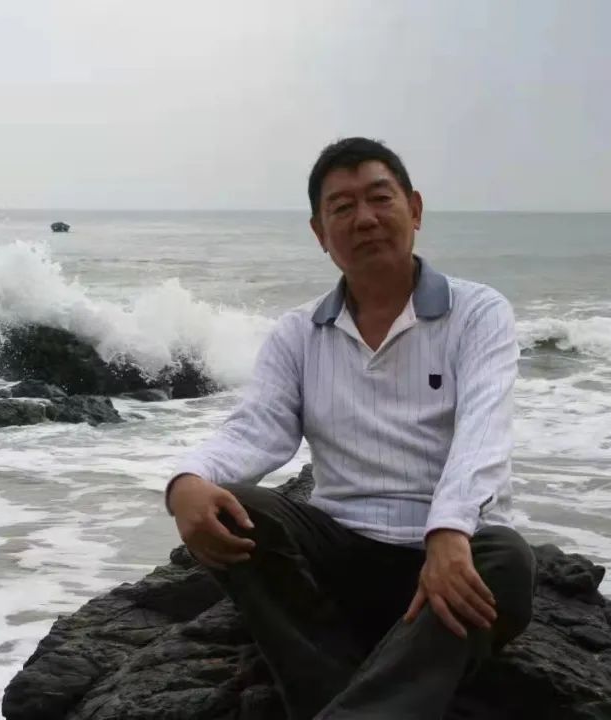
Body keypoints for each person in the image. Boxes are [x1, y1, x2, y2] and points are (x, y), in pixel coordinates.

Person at [164, 137, 536, 719]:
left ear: (414, 208)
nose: (364, 219)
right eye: (342, 207)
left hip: (450, 556)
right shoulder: (299, 333)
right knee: (236, 509)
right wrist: (187, 479)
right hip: (339, 558)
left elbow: (483, 434)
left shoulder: (478, 313)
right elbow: (258, 429)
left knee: (507, 560)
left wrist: (448, 530)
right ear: (320, 232)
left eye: (380, 198)